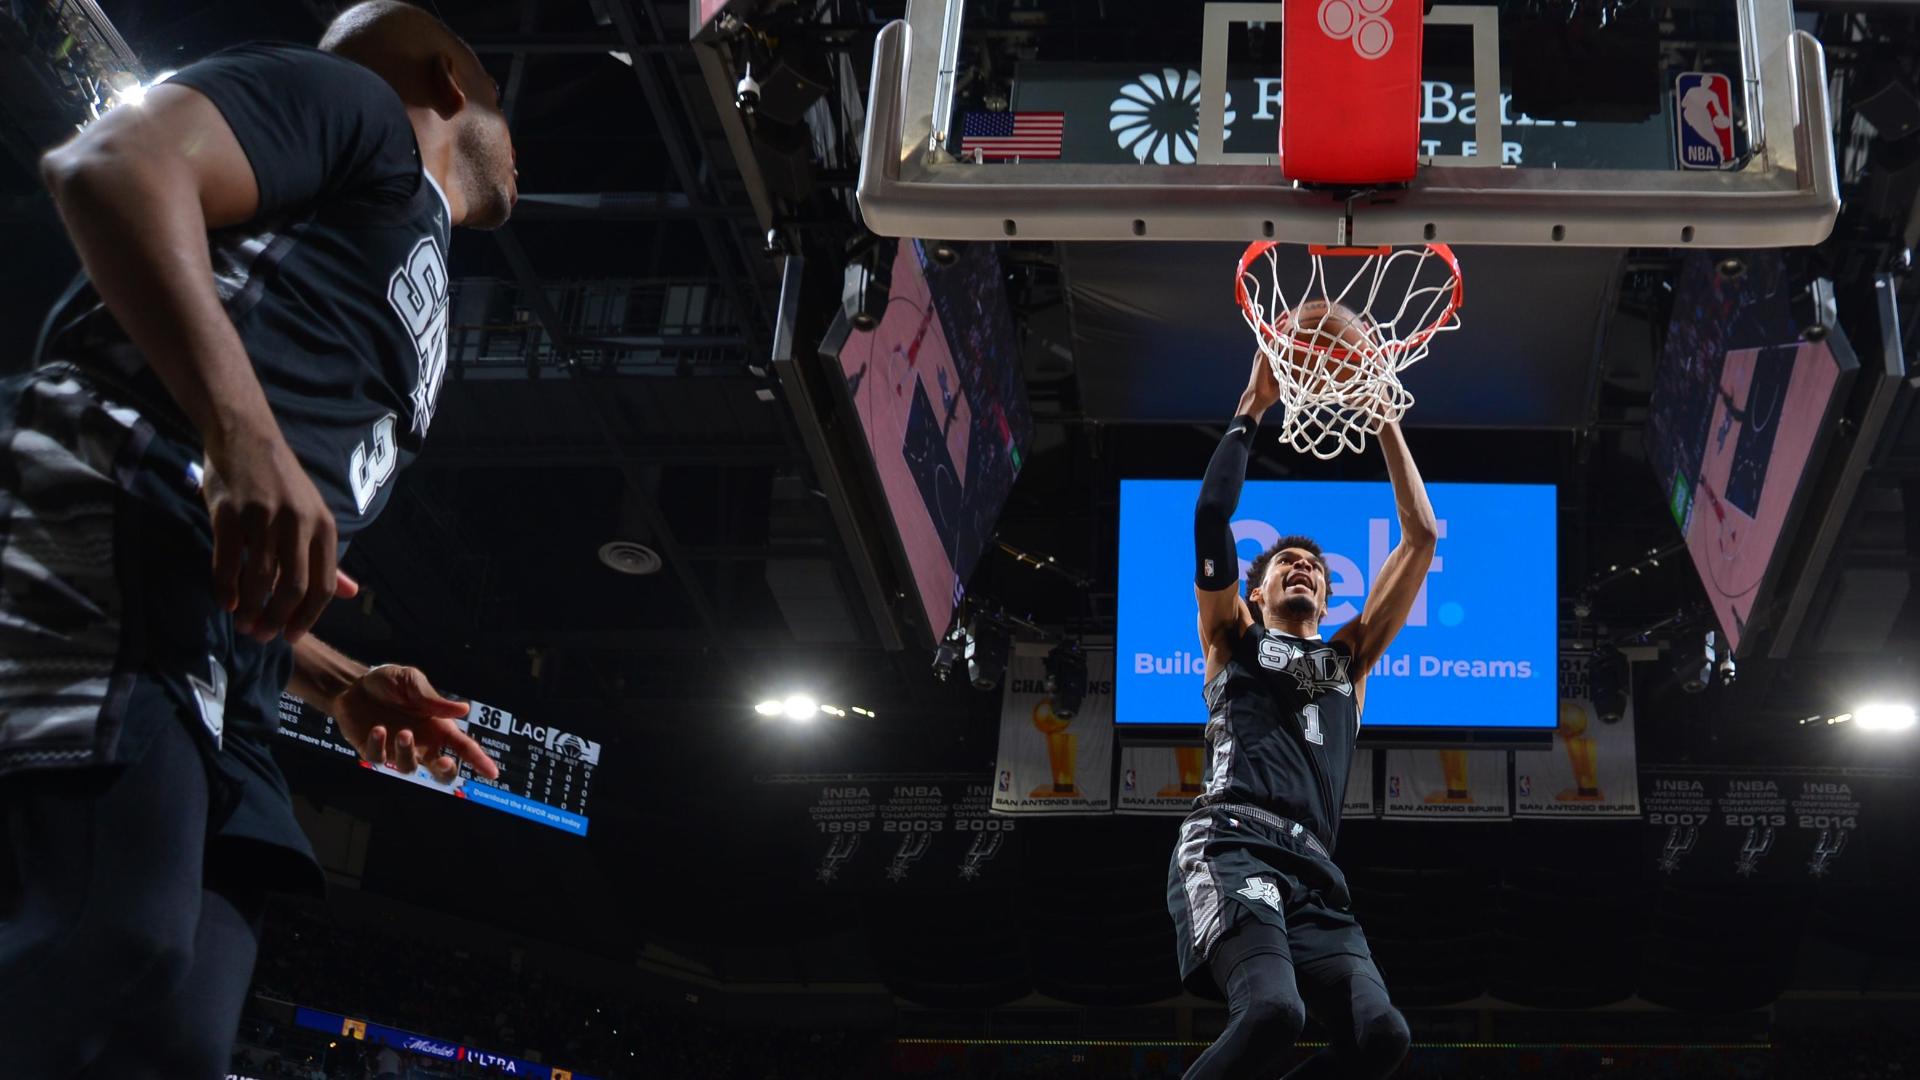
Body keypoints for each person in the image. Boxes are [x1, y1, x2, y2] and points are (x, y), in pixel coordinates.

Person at [0, 3, 515, 1076]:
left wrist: (334, 681)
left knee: (170, 1039)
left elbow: (252, 542)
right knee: (102, 933)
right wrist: (241, 435)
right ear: (451, 79)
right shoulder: (361, 107)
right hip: (118, 486)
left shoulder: (408, 264)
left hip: (221, 638)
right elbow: (111, 164)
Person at [1169, 325, 1436, 1080]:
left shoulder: (1349, 660)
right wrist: (1251, 407)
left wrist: (1381, 410)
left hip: (1316, 876)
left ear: (1327, 590)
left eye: (1313, 567)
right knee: (1273, 1012)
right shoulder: (1233, 637)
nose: (1301, 569)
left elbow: (1420, 536)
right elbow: (1210, 520)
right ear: (1256, 590)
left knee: (1383, 1037)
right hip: (1231, 843)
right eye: (1285, 562)